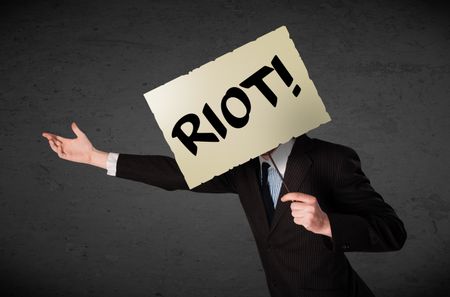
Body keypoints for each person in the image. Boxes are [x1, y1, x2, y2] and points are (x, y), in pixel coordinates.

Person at [42, 122, 407, 297]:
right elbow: (177, 173)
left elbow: (392, 231)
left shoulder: (332, 159)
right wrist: (95, 157)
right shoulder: (243, 165)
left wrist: (328, 224)